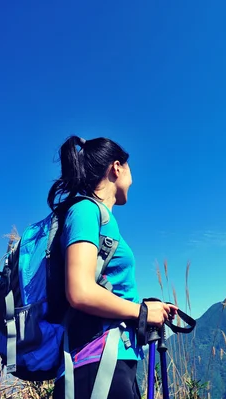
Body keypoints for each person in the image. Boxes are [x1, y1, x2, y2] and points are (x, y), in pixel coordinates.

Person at [48, 135, 177, 398]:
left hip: (111, 361)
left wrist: (149, 309)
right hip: (95, 364)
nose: (132, 179)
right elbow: (80, 291)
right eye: (130, 169)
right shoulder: (85, 211)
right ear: (116, 168)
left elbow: (102, 289)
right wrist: (141, 312)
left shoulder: (103, 219)